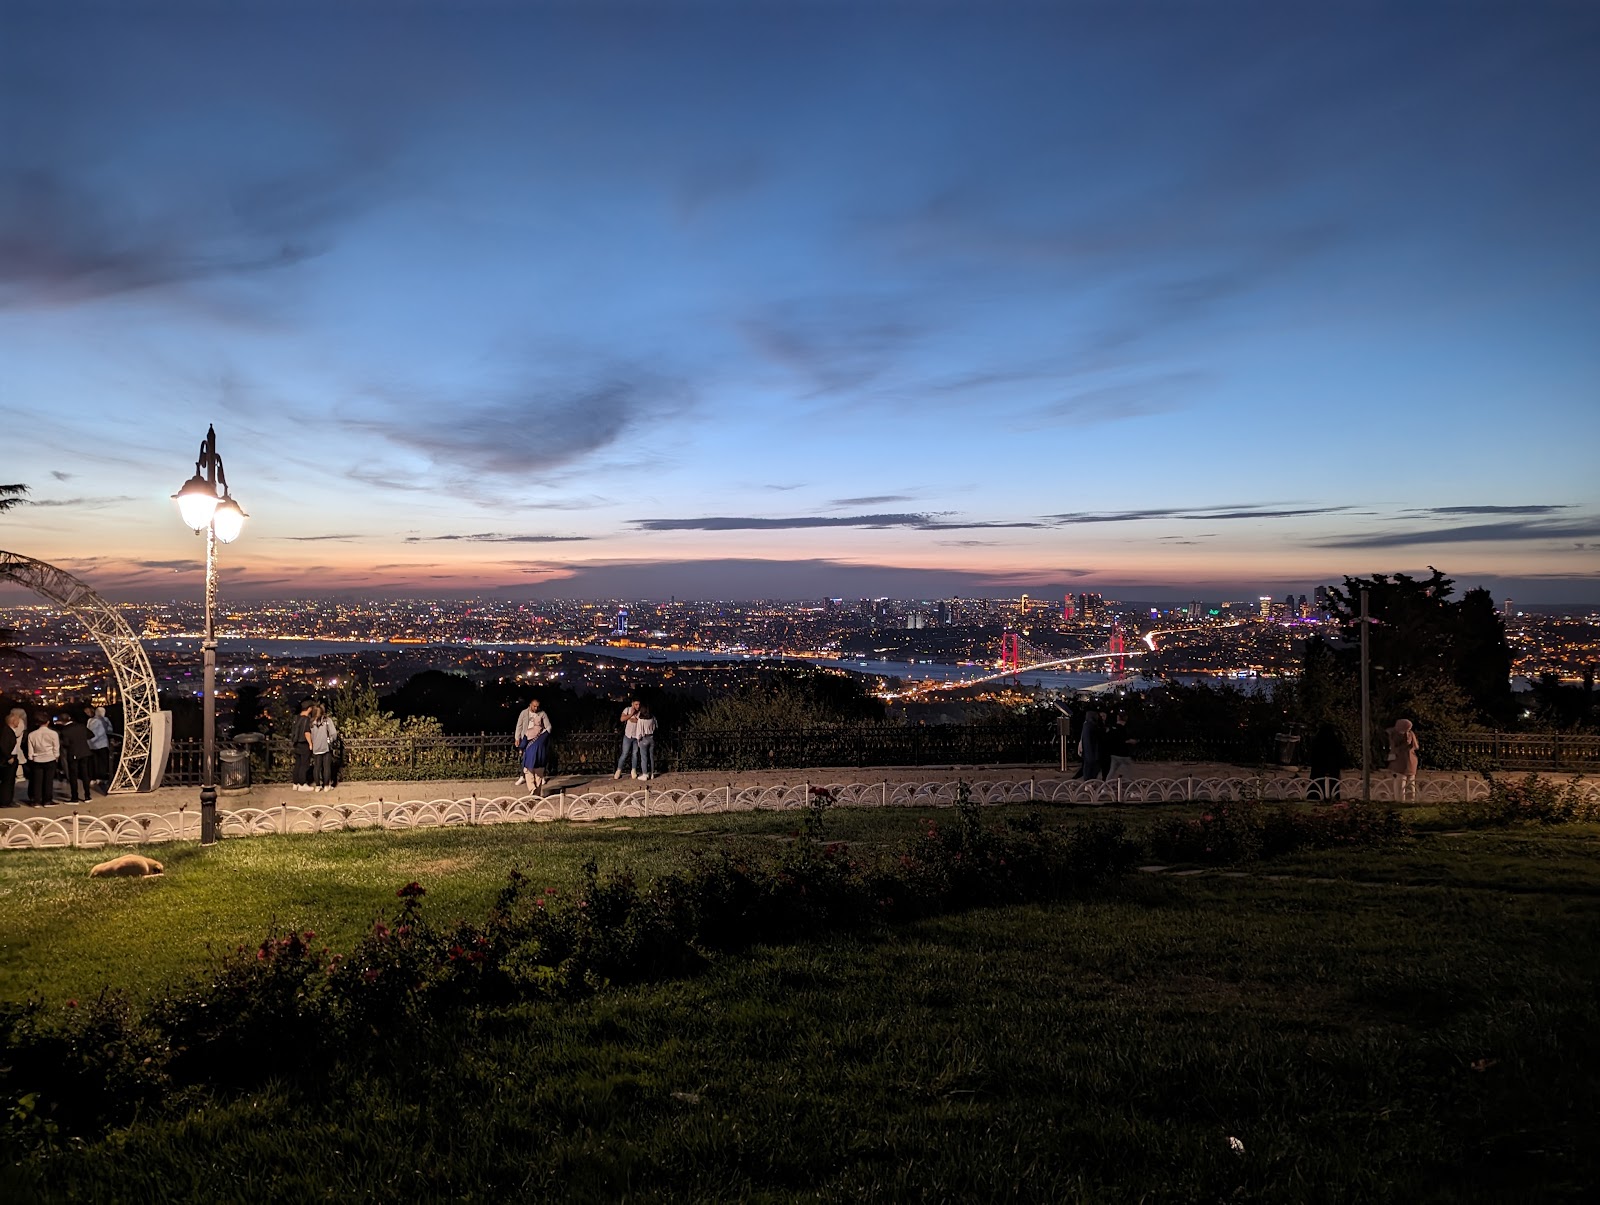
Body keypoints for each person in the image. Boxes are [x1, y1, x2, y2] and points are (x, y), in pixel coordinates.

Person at [514, 697, 552, 793]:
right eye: (534, 706)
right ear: (530, 705)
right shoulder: (524, 713)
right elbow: (519, 725)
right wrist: (517, 737)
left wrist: (521, 747)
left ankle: (533, 788)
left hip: (533, 743)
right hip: (533, 743)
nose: (536, 708)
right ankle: (534, 788)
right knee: (535, 767)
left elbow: (549, 727)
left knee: (530, 766)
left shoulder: (542, 714)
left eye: (537, 706)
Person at [26, 712, 60, 806]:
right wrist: (56, 756)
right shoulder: (53, 733)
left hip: (37, 759)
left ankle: (36, 800)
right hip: (50, 758)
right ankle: (47, 800)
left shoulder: (32, 734)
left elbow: (30, 748)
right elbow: (56, 747)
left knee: (37, 781)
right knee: (48, 781)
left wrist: (31, 757)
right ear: (48, 722)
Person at [58, 710, 93, 803]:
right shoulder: (81, 726)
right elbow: (91, 735)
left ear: (61, 721)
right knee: (85, 774)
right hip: (85, 752)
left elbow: (66, 743)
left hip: (73, 753)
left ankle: (75, 797)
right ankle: (87, 796)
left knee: (73, 775)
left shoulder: (65, 730)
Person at [1307, 724, 1345, 800]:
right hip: (1333, 768)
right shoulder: (1335, 741)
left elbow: (1312, 756)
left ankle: (1315, 797)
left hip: (1319, 768)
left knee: (1317, 784)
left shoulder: (1317, 741)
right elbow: (1340, 755)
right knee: (1333, 785)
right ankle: (1333, 797)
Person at [1387, 717, 1420, 801]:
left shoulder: (1396, 735)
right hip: (1412, 762)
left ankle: (1400, 801)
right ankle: (1411, 801)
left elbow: (1395, 746)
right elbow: (1415, 746)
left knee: (1399, 784)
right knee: (1411, 783)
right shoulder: (1411, 734)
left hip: (1399, 762)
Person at [307, 704, 339, 792]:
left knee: (316, 767)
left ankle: (317, 785)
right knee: (326, 767)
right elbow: (334, 733)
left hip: (316, 747)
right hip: (326, 746)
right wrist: (331, 740)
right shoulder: (327, 721)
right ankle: (326, 785)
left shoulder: (311, 723)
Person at [0, 707, 25, 807]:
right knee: (7, 782)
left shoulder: (9, 731)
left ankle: (7, 799)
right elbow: (3, 745)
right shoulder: (6, 731)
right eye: (18, 721)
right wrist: (8, 757)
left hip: (11, 758)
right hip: (8, 760)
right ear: (13, 721)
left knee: (10, 781)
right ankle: (5, 801)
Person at [87, 706, 114, 792]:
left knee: (93, 762)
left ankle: (93, 777)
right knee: (103, 762)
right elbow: (109, 730)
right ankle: (102, 777)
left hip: (91, 744)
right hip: (102, 744)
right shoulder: (104, 720)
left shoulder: (90, 720)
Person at [613, 699, 641, 780]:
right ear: (632, 704)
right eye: (636, 704)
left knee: (635, 754)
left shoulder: (640, 712)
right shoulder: (627, 709)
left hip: (636, 736)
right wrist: (630, 715)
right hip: (628, 736)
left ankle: (633, 771)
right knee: (624, 754)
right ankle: (618, 771)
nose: (638, 706)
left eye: (638, 704)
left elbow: (640, 721)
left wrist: (631, 719)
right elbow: (622, 719)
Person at [289, 700, 314, 792]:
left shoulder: (296, 718)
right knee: (304, 764)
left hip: (296, 744)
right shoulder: (306, 719)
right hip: (304, 743)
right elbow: (306, 732)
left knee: (298, 764)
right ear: (309, 708)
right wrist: (310, 744)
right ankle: (302, 784)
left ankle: (295, 783)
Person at [1074, 708, 1103, 780]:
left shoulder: (1087, 724)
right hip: (1091, 752)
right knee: (1090, 769)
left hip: (1088, 752)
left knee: (1088, 768)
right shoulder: (1091, 725)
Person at [632, 704, 658, 781]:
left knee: (644, 757)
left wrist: (638, 740)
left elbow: (639, 732)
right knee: (651, 756)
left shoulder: (641, 720)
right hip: (651, 737)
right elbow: (656, 727)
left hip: (644, 738)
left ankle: (645, 774)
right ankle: (652, 773)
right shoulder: (652, 718)